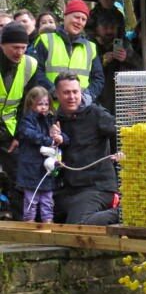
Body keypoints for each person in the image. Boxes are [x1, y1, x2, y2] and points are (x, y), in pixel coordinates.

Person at [52, 73, 119, 225]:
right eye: (66, 92)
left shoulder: (96, 114)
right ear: (57, 94)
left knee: (78, 224)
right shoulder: (56, 120)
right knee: (41, 213)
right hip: (70, 188)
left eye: (75, 92)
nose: (72, 97)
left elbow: (123, 131)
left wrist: (121, 153)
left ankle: (124, 213)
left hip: (98, 187)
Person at [0, 22, 40, 219]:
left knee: (18, 175)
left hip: (10, 129)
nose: (19, 52)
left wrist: (18, 134)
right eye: (14, 47)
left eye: (23, 48)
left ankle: (18, 218)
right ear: (2, 45)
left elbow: (28, 102)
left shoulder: (30, 64)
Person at [33, 0, 104, 106]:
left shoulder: (91, 47)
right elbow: (35, 71)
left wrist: (88, 96)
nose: (79, 22)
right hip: (49, 109)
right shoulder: (45, 40)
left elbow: (98, 78)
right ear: (65, 16)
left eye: (83, 19)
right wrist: (54, 91)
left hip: (80, 110)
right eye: (76, 17)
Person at [17, 86, 64, 222]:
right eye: (40, 104)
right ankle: (29, 222)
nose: (44, 107)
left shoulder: (50, 120)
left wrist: (60, 137)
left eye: (46, 104)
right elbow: (30, 134)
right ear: (31, 104)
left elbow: (61, 136)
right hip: (30, 168)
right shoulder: (27, 120)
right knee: (31, 199)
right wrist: (49, 140)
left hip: (45, 169)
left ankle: (48, 222)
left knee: (47, 199)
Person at [93, 10, 142, 113]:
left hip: (122, 99)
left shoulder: (124, 44)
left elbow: (140, 66)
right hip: (98, 98)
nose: (109, 31)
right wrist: (102, 60)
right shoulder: (91, 44)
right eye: (105, 28)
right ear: (97, 29)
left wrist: (126, 58)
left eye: (112, 28)